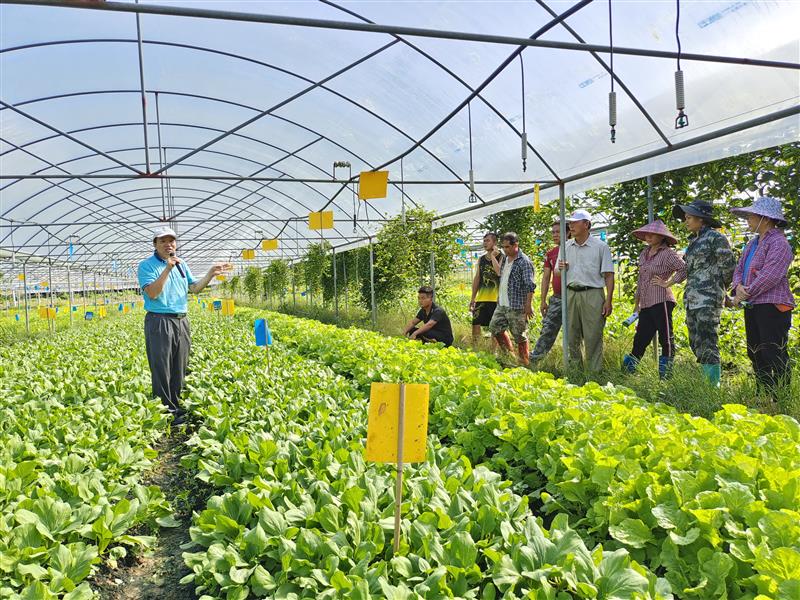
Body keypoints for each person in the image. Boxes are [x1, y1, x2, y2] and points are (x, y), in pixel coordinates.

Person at [138, 226, 230, 423]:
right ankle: (165, 412)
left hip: (181, 320)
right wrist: (167, 268)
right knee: (162, 367)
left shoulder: (182, 264)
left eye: (171, 240)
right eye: (163, 241)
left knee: (180, 366)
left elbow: (195, 288)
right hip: (159, 320)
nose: (168, 244)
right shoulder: (146, 266)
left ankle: (177, 407)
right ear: (155, 244)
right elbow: (153, 293)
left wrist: (210, 274)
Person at [729, 196, 795, 394]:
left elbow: (770, 276)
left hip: (772, 305)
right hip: (753, 304)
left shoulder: (779, 243)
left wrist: (742, 295)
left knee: (772, 351)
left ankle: (781, 395)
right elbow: (739, 269)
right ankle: (764, 393)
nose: (747, 220)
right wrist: (737, 286)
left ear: (765, 219)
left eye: (751, 216)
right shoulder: (752, 243)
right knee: (755, 350)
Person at [672, 200, 735, 386]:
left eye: (689, 218)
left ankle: (711, 387)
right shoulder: (693, 241)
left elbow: (729, 268)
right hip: (692, 299)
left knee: (707, 340)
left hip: (708, 298)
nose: (686, 221)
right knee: (695, 340)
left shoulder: (716, 238)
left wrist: (718, 288)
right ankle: (705, 379)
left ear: (702, 219)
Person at [621, 220, 686, 379]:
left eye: (652, 234)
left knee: (666, 337)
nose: (648, 236)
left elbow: (684, 268)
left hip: (661, 300)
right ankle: (628, 373)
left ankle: (666, 377)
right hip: (646, 301)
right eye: (646, 234)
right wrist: (637, 305)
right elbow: (641, 279)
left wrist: (668, 282)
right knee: (640, 338)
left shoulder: (668, 253)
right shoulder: (644, 253)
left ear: (662, 237)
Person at [556, 210, 614, 373]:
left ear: (586, 224)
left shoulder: (600, 247)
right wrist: (562, 268)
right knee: (571, 334)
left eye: (575, 222)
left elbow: (609, 275)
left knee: (593, 335)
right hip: (570, 293)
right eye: (570, 223)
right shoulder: (565, 246)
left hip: (593, 293)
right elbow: (557, 272)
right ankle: (575, 372)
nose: (571, 226)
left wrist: (608, 300)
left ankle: (594, 373)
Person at [487, 232, 536, 365]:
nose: (505, 250)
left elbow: (529, 285)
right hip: (502, 303)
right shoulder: (506, 259)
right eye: (503, 247)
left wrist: (528, 304)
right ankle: (510, 355)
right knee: (495, 327)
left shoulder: (524, 262)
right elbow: (501, 275)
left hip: (516, 305)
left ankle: (524, 363)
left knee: (520, 335)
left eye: (508, 247)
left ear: (516, 245)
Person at [529, 222, 565, 365]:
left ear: (567, 232)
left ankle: (575, 365)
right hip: (557, 298)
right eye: (553, 232)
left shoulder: (572, 250)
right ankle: (534, 360)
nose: (555, 235)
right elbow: (545, 278)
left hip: (573, 297)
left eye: (558, 232)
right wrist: (543, 300)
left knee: (576, 332)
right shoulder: (551, 253)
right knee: (547, 329)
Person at [469, 232, 506, 347]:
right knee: (475, 322)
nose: (485, 243)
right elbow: (477, 278)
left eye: (488, 241)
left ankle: (494, 350)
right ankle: (476, 347)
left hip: (496, 298)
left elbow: (498, 271)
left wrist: (494, 256)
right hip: (482, 297)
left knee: (494, 326)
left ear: (495, 243)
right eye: (484, 241)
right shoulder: (481, 259)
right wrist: (473, 298)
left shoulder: (502, 256)